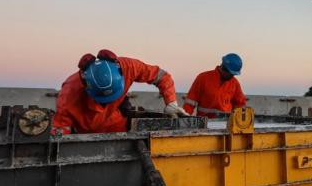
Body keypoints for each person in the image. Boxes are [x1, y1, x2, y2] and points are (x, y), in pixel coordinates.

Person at [53, 49, 187, 134]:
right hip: (85, 133)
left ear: (120, 73)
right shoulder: (69, 93)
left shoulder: (128, 67)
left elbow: (162, 76)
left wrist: (171, 103)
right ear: (85, 86)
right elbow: (60, 130)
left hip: (115, 122)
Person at [183, 53, 247, 118]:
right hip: (205, 123)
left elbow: (240, 104)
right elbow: (190, 102)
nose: (232, 76)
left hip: (226, 123)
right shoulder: (203, 78)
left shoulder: (234, 83)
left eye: (234, 74)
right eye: (231, 74)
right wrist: (184, 119)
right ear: (224, 68)